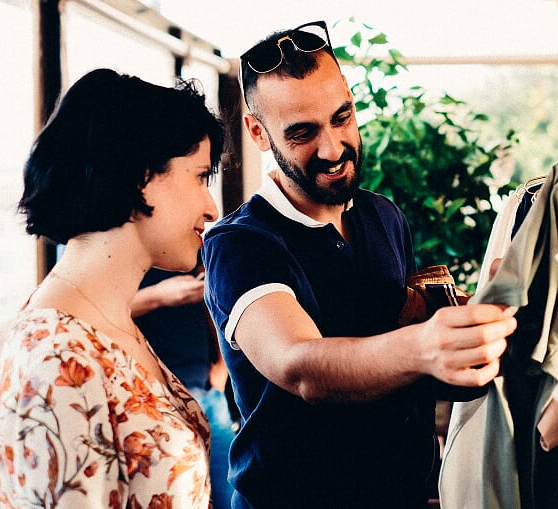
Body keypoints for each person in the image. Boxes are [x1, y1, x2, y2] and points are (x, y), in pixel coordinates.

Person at [202, 20, 517, 509]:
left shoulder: (383, 216)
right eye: (302, 133)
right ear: (258, 133)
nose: (332, 149)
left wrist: (477, 327)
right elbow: (300, 366)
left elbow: (405, 364)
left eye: (341, 118)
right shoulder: (240, 244)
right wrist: (425, 345)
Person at [0, 68, 225, 508]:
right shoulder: (57, 360)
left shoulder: (104, 324)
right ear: (141, 176)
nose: (212, 208)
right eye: (200, 176)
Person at [132, 264, 236, 508]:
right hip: (157, 401)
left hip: (209, 394)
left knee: (231, 494)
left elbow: (211, 305)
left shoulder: (187, 256)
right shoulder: (123, 260)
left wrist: (222, 367)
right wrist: (157, 296)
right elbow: (101, 314)